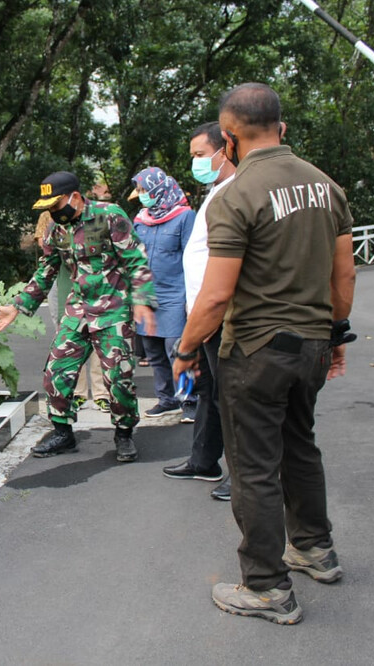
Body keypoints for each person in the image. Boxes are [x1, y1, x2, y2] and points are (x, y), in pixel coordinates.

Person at [172, 83, 356, 625]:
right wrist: (334, 335)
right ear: (281, 124)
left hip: (256, 351)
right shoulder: (327, 187)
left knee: (253, 466)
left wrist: (185, 350)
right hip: (313, 347)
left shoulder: (236, 196)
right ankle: (315, 550)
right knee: (300, 446)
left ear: (227, 138)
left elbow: (217, 294)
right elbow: (342, 274)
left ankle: (267, 585)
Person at [0, 171, 157, 462]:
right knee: (56, 371)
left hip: (113, 309)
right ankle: (63, 433)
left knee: (119, 377)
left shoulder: (109, 216)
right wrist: (17, 304)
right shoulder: (57, 230)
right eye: (49, 208)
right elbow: (46, 271)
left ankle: (124, 433)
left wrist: (142, 301)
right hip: (78, 309)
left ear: (76, 198)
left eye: (56, 206)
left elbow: (135, 259)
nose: (53, 212)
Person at [162, 122, 237, 502]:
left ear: (225, 150)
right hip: (202, 313)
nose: (194, 163)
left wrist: (205, 316)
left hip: (220, 316)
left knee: (232, 396)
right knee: (208, 391)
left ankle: (241, 477)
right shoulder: (215, 192)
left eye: (200, 155)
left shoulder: (235, 193)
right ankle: (203, 460)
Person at [129, 167, 196, 420]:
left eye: (145, 190)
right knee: (153, 351)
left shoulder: (185, 216)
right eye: (140, 190)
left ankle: (190, 400)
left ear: (160, 189)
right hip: (147, 295)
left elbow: (192, 257)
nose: (142, 195)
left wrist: (192, 297)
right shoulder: (140, 219)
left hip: (176, 294)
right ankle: (166, 399)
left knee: (178, 350)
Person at [34, 207, 112, 413]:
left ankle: (102, 394)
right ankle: (78, 394)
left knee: (97, 341)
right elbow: (44, 248)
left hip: (95, 289)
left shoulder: (96, 217)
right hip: (65, 285)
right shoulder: (48, 218)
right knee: (69, 342)